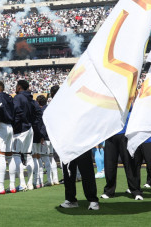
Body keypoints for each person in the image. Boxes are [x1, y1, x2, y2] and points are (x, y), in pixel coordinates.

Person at [56, 83, 99, 211]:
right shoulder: (62, 106)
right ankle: (71, 199)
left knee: (87, 172)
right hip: (68, 143)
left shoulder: (84, 105)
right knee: (68, 173)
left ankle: (92, 200)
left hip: (82, 143)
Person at [101, 112, 140, 199]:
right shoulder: (109, 105)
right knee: (109, 165)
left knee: (129, 164)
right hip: (110, 136)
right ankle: (109, 191)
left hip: (125, 135)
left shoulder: (127, 102)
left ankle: (136, 191)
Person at [11, 79, 36, 192]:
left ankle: (22, 183)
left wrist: (14, 126)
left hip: (20, 129)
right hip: (29, 128)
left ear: (19, 87)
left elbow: (17, 112)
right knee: (28, 156)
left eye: (16, 86)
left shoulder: (18, 97)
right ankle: (30, 183)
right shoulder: (30, 98)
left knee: (16, 155)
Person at [41, 88, 59, 186]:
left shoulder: (42, 111)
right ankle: (55, 179)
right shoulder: (50, 108)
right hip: (52, 136)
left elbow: (43, 125)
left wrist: (42, 136)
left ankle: (49, 179)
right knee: (51, 158)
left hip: (46, 137)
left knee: (46, 158)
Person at [30, 94, 45, 189]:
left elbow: (35, 124)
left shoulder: (35, 111)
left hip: (35, 135)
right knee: (39, 158)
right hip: (40, 135)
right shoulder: (42, 111)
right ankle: (41, 181)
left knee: (34, 157)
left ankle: (36, 181)